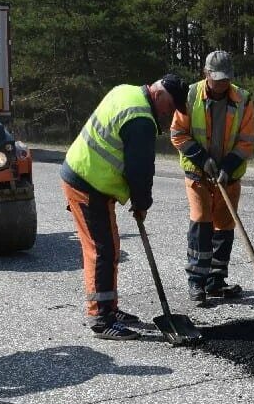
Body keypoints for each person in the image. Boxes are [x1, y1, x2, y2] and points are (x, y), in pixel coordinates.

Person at [61, 75, 189, 339]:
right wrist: (142, 204)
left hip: (91, 179)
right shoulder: (141, 120)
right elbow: (140, 171)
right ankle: (100, 318)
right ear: (159, 94)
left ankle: (109, 307)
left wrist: (138, 201)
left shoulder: (126, 90)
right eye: (171, 105)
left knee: (110, 247)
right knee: (101, 250)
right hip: (87, 183)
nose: (169, 113)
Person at [169, 50, 254, 305]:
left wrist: (228, 166)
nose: (221, 84)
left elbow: (247, 140)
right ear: (206, 74)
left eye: (226, 79)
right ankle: (197, 282)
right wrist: (201, 158)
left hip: (228, 176)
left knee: (225, 225)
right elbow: (177, 133)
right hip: (198, 173)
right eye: (217, 78)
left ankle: (216, 281)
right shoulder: (190, 95)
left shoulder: (243, 99)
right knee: (201, 222)